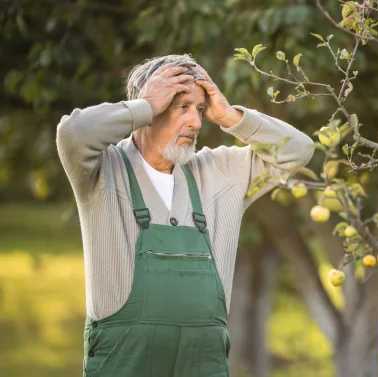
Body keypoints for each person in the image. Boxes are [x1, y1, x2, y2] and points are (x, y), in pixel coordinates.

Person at [56, 54, 315, 376]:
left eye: (200, 110)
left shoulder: (219, 172)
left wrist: (230, 116)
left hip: (203, 362)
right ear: (148, 110)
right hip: (122, 360)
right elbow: (74, 134)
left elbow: (298, 151)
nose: (195, 122)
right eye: (182, 107)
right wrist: (145, 105)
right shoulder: (104, 170)